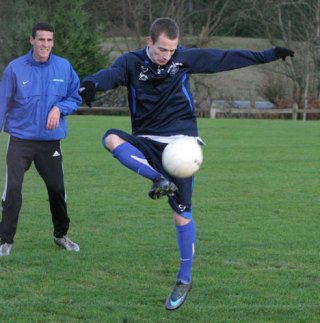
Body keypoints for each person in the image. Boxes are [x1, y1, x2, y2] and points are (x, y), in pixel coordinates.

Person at [80, 17, 294, 310]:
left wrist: (269, 54)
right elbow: (110, 74)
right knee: (111, 139)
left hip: (181, 143)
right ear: (149, 42)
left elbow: (226, 58)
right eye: (161, 49)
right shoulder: (131, 63)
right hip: (147, 139)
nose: (167, 56)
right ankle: (158, 178)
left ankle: (184, 279)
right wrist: (92, 83)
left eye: (171, 50)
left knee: (182, 214)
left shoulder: (183, 59)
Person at [0, 22, 82, 256]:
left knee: (57, 189)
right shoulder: (15, 69)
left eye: (49, 40)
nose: (45, 44)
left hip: (49, 142)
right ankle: (5, 240)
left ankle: (61, 235)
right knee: (13, 190)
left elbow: (75, 96)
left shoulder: (63, 67)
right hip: (20, 140)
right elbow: (2, 103)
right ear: (32, 40)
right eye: (41, 39)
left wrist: (59, 108)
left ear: (53, 42)